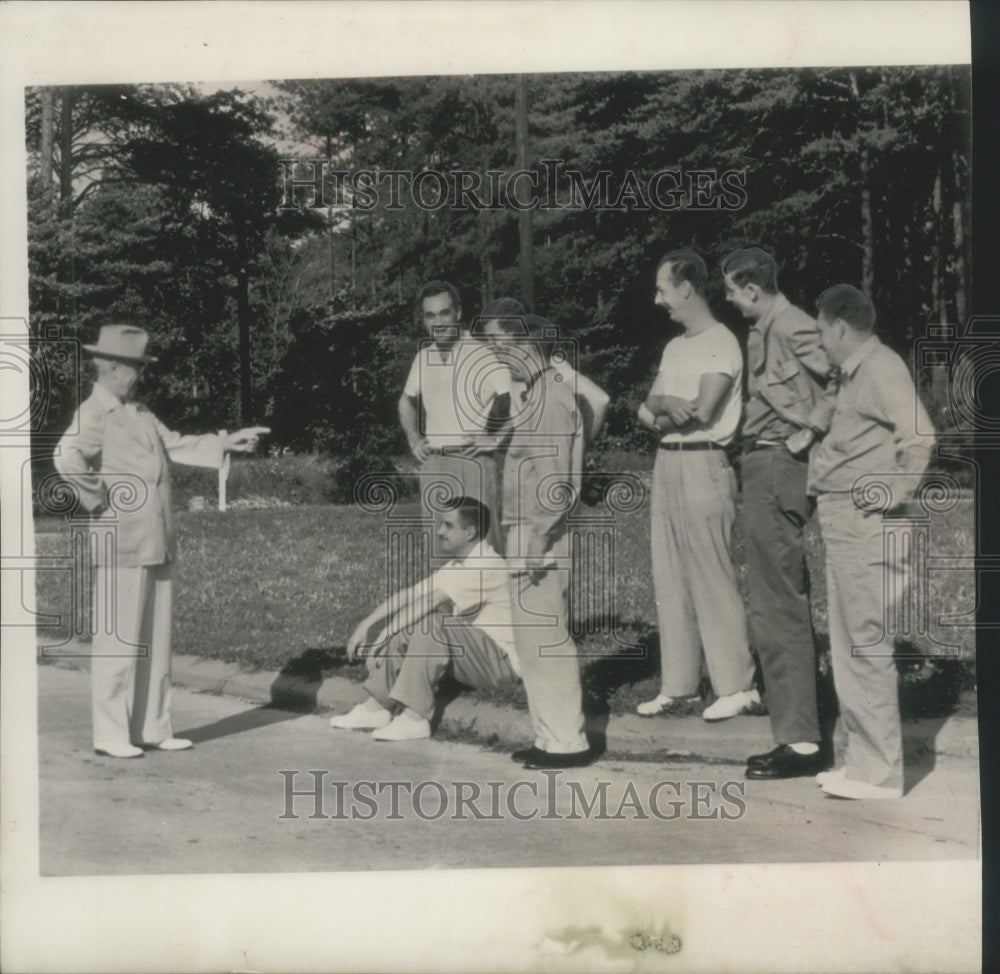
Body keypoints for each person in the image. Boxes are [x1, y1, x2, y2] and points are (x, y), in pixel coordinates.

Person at [54, 324, 267, 759]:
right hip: (121, 541)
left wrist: (227, 441)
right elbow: (65, 456)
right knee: (117, 643)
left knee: (156, 637)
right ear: (113, 368)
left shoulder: (141, 410)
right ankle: (111, 735)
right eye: (136, 368)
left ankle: (153, 727)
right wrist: (100, 500)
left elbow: (175, 444)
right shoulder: (94, 413)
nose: (140, 375)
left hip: (157, 537)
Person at [809, 285, 934, 799]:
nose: (820, 340)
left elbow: (920, 436)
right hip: (845, 521)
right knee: (849, 645)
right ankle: (862, 764)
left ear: (840, 326)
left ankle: (881, 773)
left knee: (866, 642)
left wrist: (886, 495)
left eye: (820, 330)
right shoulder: (854, 374)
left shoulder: (881, 367)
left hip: (866, 523)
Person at [720, 248, 837, 781]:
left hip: (779, 463)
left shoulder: (793, 326)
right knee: (776, 596)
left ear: (750, 288)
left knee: (776, 601)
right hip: (763, 461)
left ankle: (802, 743)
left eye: (729, 290)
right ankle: (799, 724)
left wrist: (811, 430)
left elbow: (844, 375)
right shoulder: (764, 328)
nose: (726, 299)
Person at [636, 249, 758, 721]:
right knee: (671, 577)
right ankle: (680, 686)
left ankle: (736, 686)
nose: (658, 299)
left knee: (711, 574)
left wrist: (662, 409)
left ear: (686, 289)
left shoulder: (721, 341)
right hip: (666, 464)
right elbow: (648, 409)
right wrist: (667, 402)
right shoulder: (675, 347)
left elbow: (703, 411)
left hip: (706, 463)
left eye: (663, 289)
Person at [478, 309, 594, 769]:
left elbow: (555, 482)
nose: (493, 354)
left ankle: (568, 741)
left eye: (497, 344)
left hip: (538, 531)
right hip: (525, 528)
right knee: (531, 637)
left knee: (546, 636)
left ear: (524, 344)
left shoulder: (548, 399)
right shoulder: (538, 396)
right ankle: (550, 738)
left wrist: (539, 541)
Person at [329, 496, 519, 741]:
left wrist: (382, 639)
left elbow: (429, 603)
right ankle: (376, 707)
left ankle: (414, 718)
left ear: (470, 532)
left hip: (500, 665)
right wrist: (366, 623)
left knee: (431, 623)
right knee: (417, 623)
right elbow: (412, 595)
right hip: (474, 658)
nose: (440, 532)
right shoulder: (458, 565)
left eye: (448, 525)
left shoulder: (487, 565)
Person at [398, 281, 508, 554]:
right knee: (440, 550)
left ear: (458, 313)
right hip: (434, 463)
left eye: (445, 313)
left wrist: (496, 437)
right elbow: (406, 400)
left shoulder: (483, 353)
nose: (439, 322)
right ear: (423, 320)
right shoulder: (423, 358)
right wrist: (413, 437)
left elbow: (520, 400)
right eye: (430, 315)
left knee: (482, 551)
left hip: (473, 461)